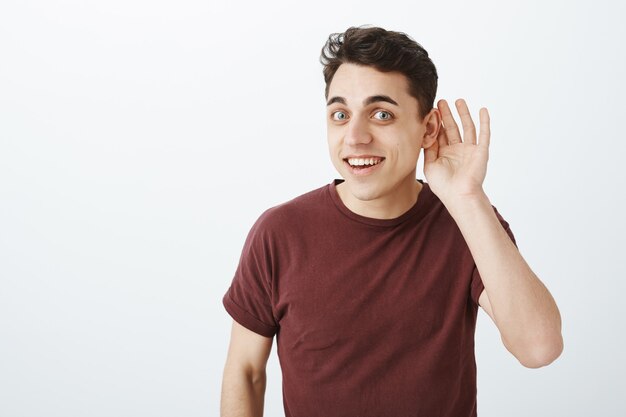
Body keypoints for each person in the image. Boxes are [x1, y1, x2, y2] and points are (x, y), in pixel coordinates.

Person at [220, 25, 563, 417]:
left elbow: (539, 348)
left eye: (381, 114)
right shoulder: (279, 233)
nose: (355, 136)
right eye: (340, 114)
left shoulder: (466, 223)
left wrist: (467, 197)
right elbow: (246, 372)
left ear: (428, 128)